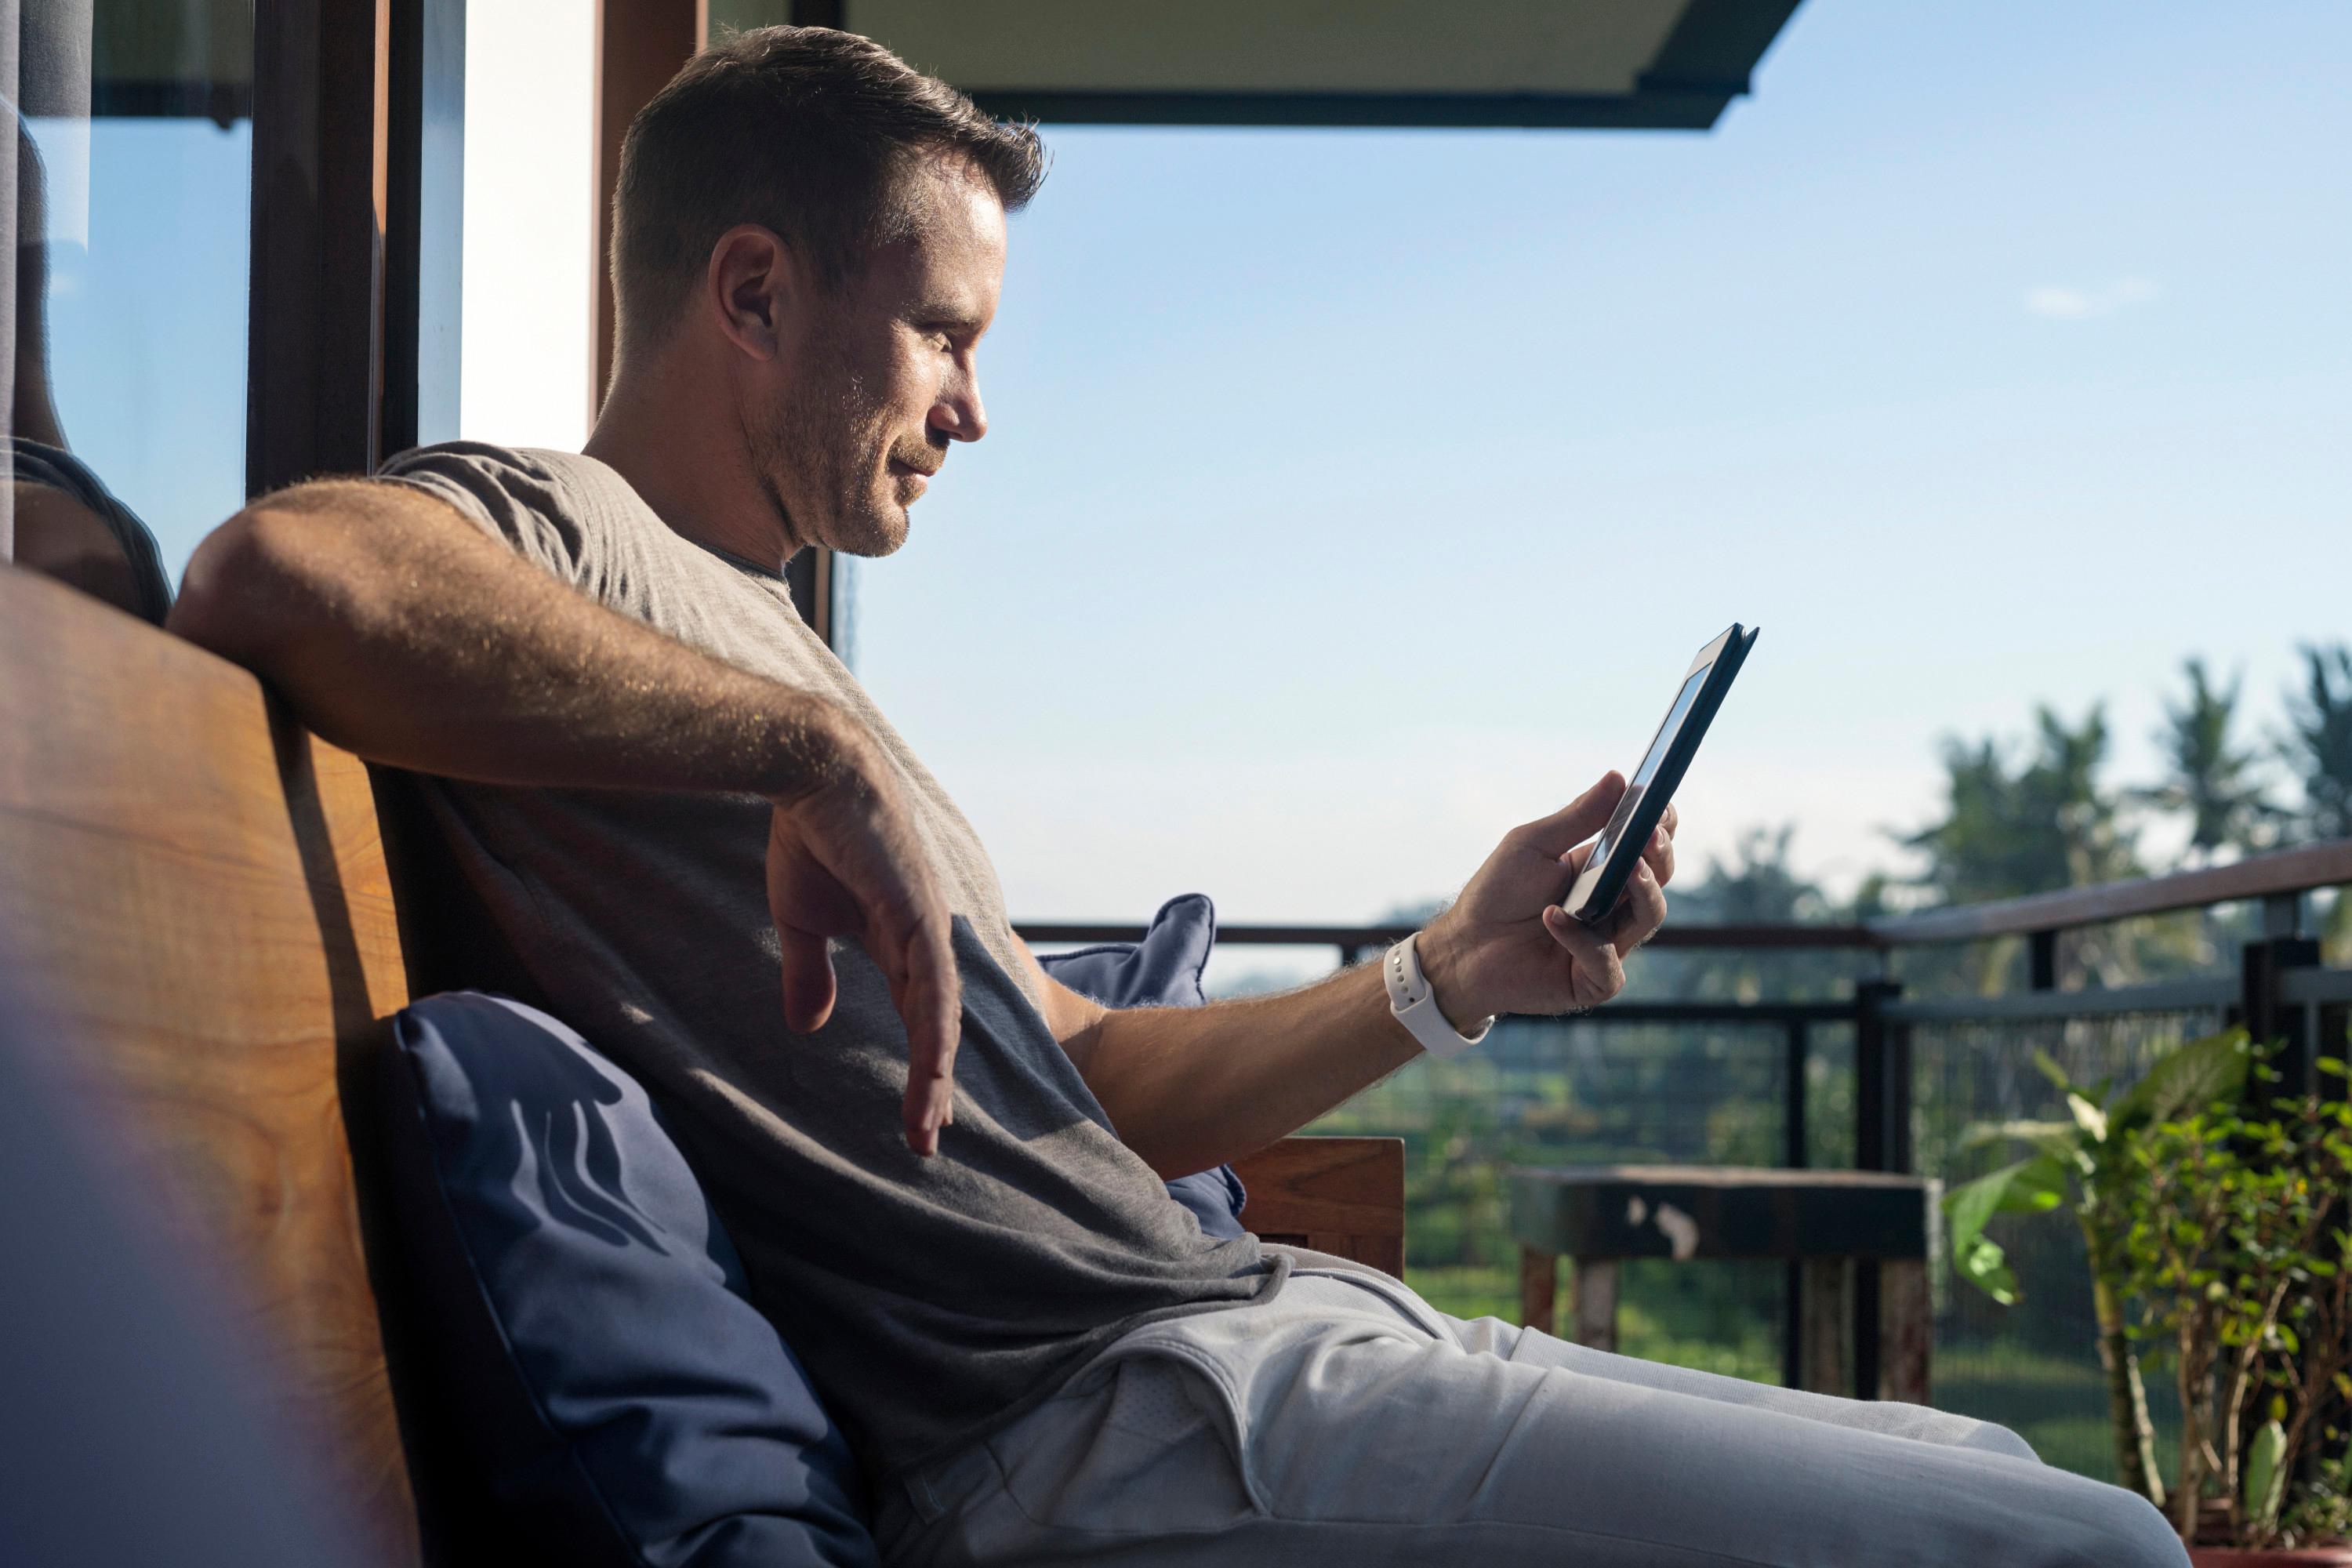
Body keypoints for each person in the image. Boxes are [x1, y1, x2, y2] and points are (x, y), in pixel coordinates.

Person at [167, 27, 2187, 1568]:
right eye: (944, 333)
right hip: (1091, 1426)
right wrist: (808, 745)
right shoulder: (564, 539)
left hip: (1258, 1329)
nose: (978, 404)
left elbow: (1091, 1076)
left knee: (2006, 1475)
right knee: (2080, 1550)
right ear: (756, 295)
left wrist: (1446, 974)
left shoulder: (776, 634)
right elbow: (274, 574)